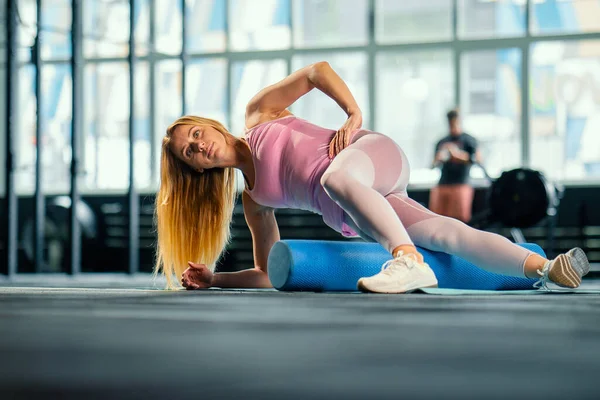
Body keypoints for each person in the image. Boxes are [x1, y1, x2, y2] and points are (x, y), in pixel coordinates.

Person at [155, 61, 589, 293]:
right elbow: (269, 273)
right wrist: (216, 279)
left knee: (334, 179)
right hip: (357, 207)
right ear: (197, 168)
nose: (199, 146)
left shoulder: (258, 114)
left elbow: (315, 72)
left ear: (208, 124)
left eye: (196, 134)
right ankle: (548, 268)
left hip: (368, 155)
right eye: (189, 153)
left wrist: (353, 112)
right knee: (448, 234)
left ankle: (407, 260)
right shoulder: (254, 200)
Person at [430, 109, 480, 223]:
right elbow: (432, 164)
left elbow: (476, 159)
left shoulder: (469, 140)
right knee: (437, 219)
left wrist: (456, 155)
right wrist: (438, 158)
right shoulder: (442, 141)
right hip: (443, 184)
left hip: (461, 184)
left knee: (459, 220)